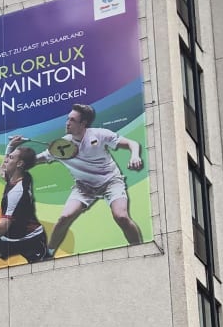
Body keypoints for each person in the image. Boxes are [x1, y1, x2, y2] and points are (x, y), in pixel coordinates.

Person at [14, 102, 143, 255]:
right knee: (64, 217)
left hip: (111, 181)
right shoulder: (62, 145)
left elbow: (131, 143)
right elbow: (35, 160)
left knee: (121, 217)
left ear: (83, 123)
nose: (67, 123)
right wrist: (14, 151)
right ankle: (47, 254)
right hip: (84, 187)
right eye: (67, 119)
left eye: (72, 120)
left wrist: (135, 156)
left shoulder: (99, 134)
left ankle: (139, 249)